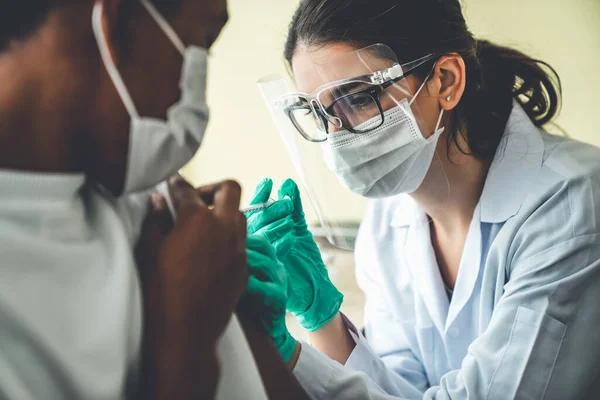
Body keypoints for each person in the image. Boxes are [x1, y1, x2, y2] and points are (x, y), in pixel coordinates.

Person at [248, 0, 600, 398]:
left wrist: (292, 358)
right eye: (316, 111)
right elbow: (395, 393)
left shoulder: (573, 203)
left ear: (445, 81)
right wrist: (321, 318)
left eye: (357, 98)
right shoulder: (385, 221)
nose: (334, 135)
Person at [0, 1, 310, 399]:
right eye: (203, 43)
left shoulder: (151, 207)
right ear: (111, 24)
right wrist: (184, 340)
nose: (199, 101)